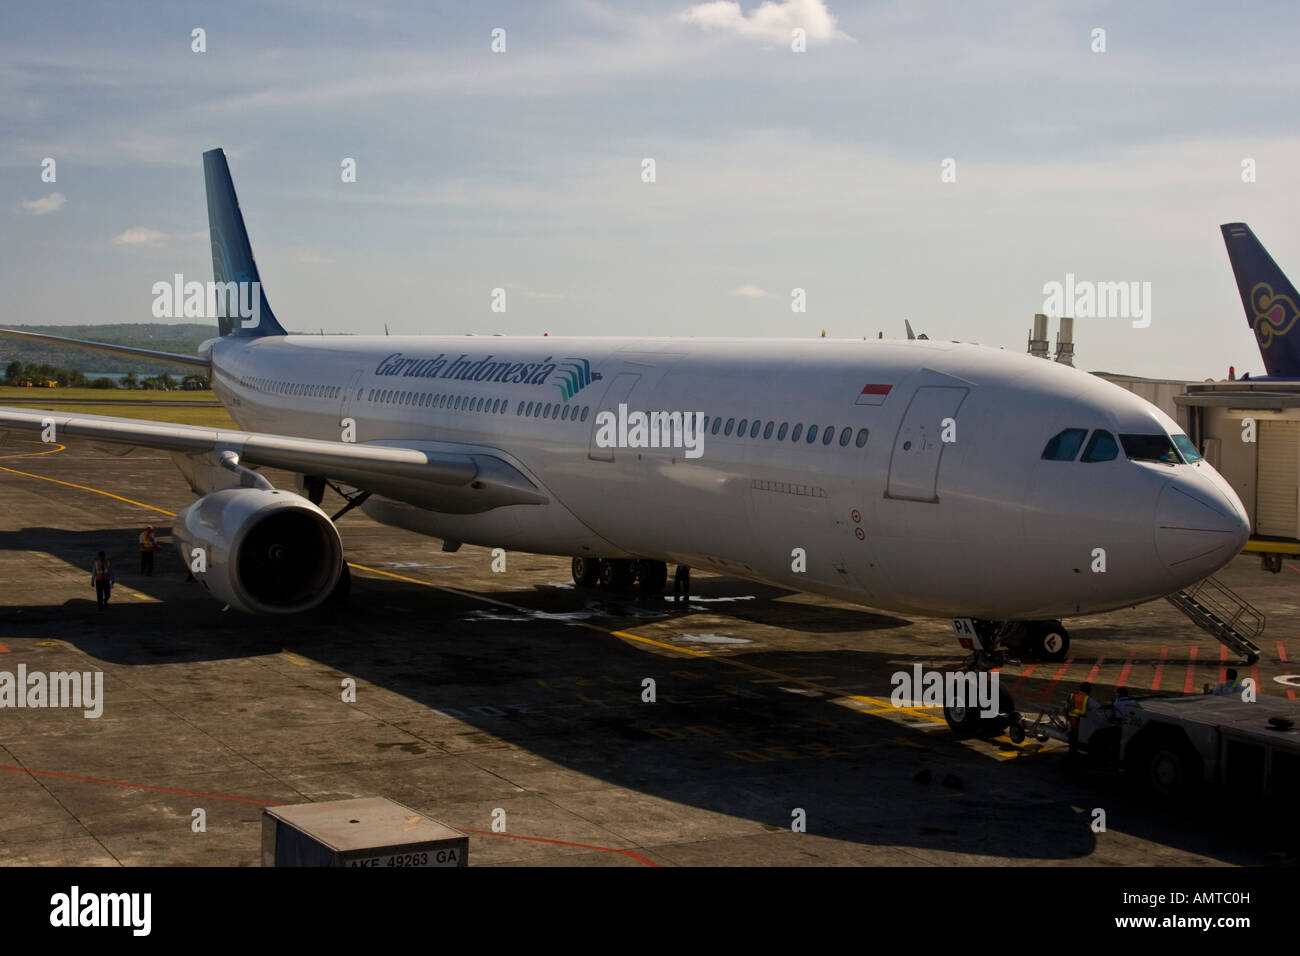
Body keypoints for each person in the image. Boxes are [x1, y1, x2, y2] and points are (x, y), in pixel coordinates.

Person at [1065, 681, 1099, 769]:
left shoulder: (1072, 697)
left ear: (1080, 689)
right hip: (1081, 726)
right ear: (1089, 691)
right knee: (1080, 748)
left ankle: (1070, 764)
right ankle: (1077, 766)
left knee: (1072, 746)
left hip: (1070, 725)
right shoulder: (1089, 700)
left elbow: (1065, 710)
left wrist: (1067, 720)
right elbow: (1098, 710)